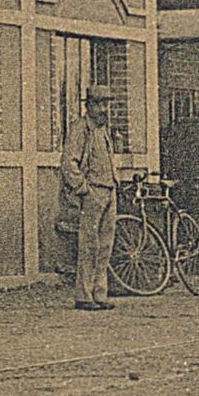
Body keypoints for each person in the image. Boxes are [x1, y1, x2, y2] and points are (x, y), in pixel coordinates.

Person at [63, 83, 120, 311]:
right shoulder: (80, 129)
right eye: (99, 104)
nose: (104, 109)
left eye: (106, 104)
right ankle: (84, 294)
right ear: (89, 106)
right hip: (92, 192)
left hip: (109, 190)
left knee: (105, 246)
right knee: (88, 245)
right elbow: (69, 163)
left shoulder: (103, 130)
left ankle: (100, 293)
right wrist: (83, 188)